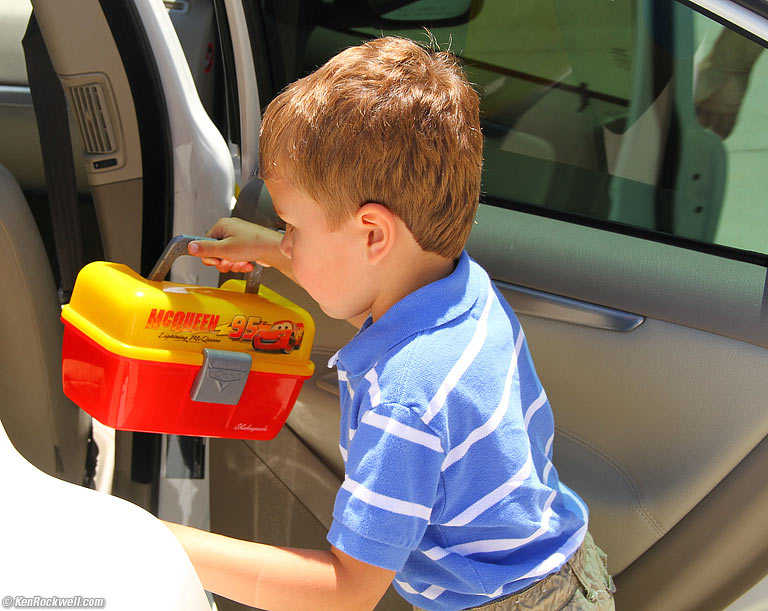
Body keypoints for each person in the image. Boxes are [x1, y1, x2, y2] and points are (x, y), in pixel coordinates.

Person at [166, 36, 615, 611]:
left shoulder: (406, 398)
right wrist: (272, 249)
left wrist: (160, 540)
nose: (288, 240)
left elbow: (346, 591)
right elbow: (361, 291)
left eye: (292, 226)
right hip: (566, 566)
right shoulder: (459, 291)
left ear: (373, 233)